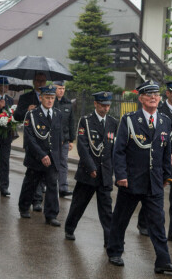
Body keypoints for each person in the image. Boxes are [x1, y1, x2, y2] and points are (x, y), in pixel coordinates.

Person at [106, 80, 172, 274]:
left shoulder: (164, 120)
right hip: (131, 180)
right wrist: (120, 175)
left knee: (157, 222)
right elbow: (119, 150)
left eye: (156, 94)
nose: (154, 98)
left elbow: (166, 152)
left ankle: (163, 261)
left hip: (154, 182)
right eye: (149, 95)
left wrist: (166, 176)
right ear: (141, 98)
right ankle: (115, 251)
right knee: (121, 219)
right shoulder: (129, 120)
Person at [136, 80, 172, 244]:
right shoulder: (158, 110)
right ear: (168, 94)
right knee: (153, 192)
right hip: (161, 157)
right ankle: (143, 224)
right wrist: (167, 153)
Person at [64, 91, 117, 247]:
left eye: (108, 106)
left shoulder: (113, 122)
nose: (105, 109)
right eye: (102, 105)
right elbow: (83, 146)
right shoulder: (86, 121)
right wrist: (91, 167)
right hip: (88, 172)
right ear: (96, 104)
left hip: (105, 173)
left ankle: (110, 240)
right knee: (78, 204)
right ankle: (69, 228)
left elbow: (114, 148)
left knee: (107, 210)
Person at [17, 84, 63, 226]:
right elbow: (30, 138)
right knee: (30, 183)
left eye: (52, 98)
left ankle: (51, 215)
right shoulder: (32, 115)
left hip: (52, 157)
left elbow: (58, 136)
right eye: (47, 98)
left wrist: (57, 156)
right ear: (41, 98)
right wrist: (42, 155)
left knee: (52, 186)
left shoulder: (57, 114)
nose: (50, 101)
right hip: (36, 157)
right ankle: (24, 207)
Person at [14, 72, 47, 212]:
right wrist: (26, 110)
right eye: (38, 81)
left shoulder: (49, 97)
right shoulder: (25, 97)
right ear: (34, 82)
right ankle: (25, 204)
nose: (40, 84)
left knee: (43, 174)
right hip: (31, 141)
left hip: (45, 142)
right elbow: (16, 116)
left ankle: (38, 200)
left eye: (43, 81)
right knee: (32, 174)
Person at [53, 81, 75, 198]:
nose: (61, 90)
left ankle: (63, 188)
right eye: (59, 88)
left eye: (63, 88)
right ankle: (45, 186)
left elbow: (71, 122)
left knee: (63, 163)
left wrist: (71, 140)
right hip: (53, 139)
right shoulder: (51, 101)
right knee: (50, 163)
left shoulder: (68, 103)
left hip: (65, 140)